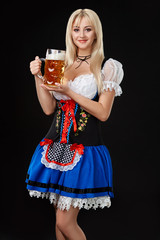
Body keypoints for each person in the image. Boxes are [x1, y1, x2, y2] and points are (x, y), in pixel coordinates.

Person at [26, 8, 124, 240]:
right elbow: (49, 108)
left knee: (65, 220)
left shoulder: (107, 67)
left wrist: (68, 91)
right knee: (58, 223)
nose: (81, 34)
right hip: (56, 147)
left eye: (87, 29)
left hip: (84, 149)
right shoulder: (62, 63)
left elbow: (102, 113)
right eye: (76, 29)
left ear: (96, 33)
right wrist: (38, 78)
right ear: (70, 32)